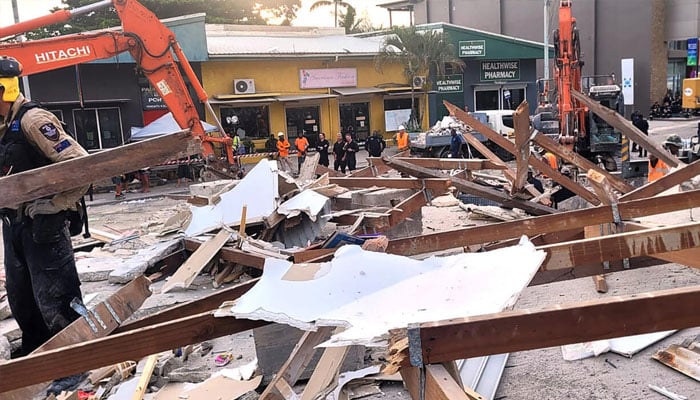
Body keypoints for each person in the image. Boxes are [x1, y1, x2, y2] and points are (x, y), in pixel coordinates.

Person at [0, 56, 89, 394]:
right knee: (23, 299)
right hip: (15, 225)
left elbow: (80, 165)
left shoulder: (33, 121)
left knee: (58, 299)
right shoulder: (1, 125)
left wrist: (55, 205)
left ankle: (76, 363)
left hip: (45, 225)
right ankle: (37, 354)